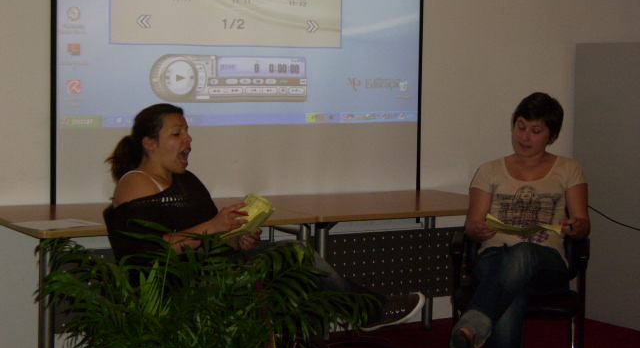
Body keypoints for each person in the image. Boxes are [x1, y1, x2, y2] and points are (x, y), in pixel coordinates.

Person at [105, 103, 424, 332]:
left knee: (297, 257)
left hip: (214, 269)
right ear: (149, 144)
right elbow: (144, 253)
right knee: (294, 259)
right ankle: (369, 311)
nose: (188, 139)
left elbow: (211, 239)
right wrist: (213, 227)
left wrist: (236, 239)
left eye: (187, 132)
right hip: (176, 283)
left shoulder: (186, 180)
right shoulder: (136, 182)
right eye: (177, 133)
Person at [449, 92, 590, 348]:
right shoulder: (489, 170)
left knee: (523, 253)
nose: (524, 137)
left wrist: (575, 226)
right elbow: (472, 225)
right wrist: (477, 230)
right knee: (510, 291)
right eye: (520, 127)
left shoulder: (569, 169)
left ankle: (476, 323)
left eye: (535, 130)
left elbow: (583, 224)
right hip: (493, 259)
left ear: (551, 135)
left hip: (546, 264)